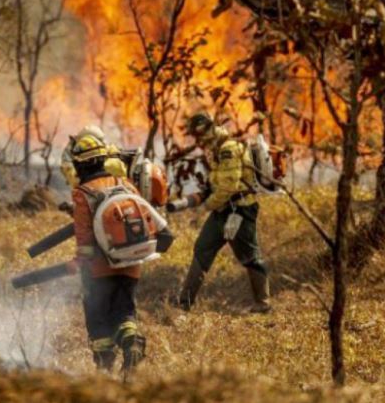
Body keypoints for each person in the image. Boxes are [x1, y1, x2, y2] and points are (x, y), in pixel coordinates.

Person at [70, 132, 174, 375]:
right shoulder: (125, 183)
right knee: (124, 311)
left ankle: (104, 367)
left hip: (98, 268)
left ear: (80, 164)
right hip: (131, 262)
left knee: (97, 316)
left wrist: (79, 263)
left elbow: (84, 237)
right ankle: (132, 341)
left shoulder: (82, 193)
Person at [175, 113, 270, 313]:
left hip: (241, 209)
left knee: (250, 256)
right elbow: (217, 183)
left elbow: (229, 186)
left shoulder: (228, 149)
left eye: (200, 135)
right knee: (202, 248)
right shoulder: (215, 150)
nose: (199, 140)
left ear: (209, 130)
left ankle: (263, 304)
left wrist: (208, 204)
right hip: (223, 210)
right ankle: (184, 304)